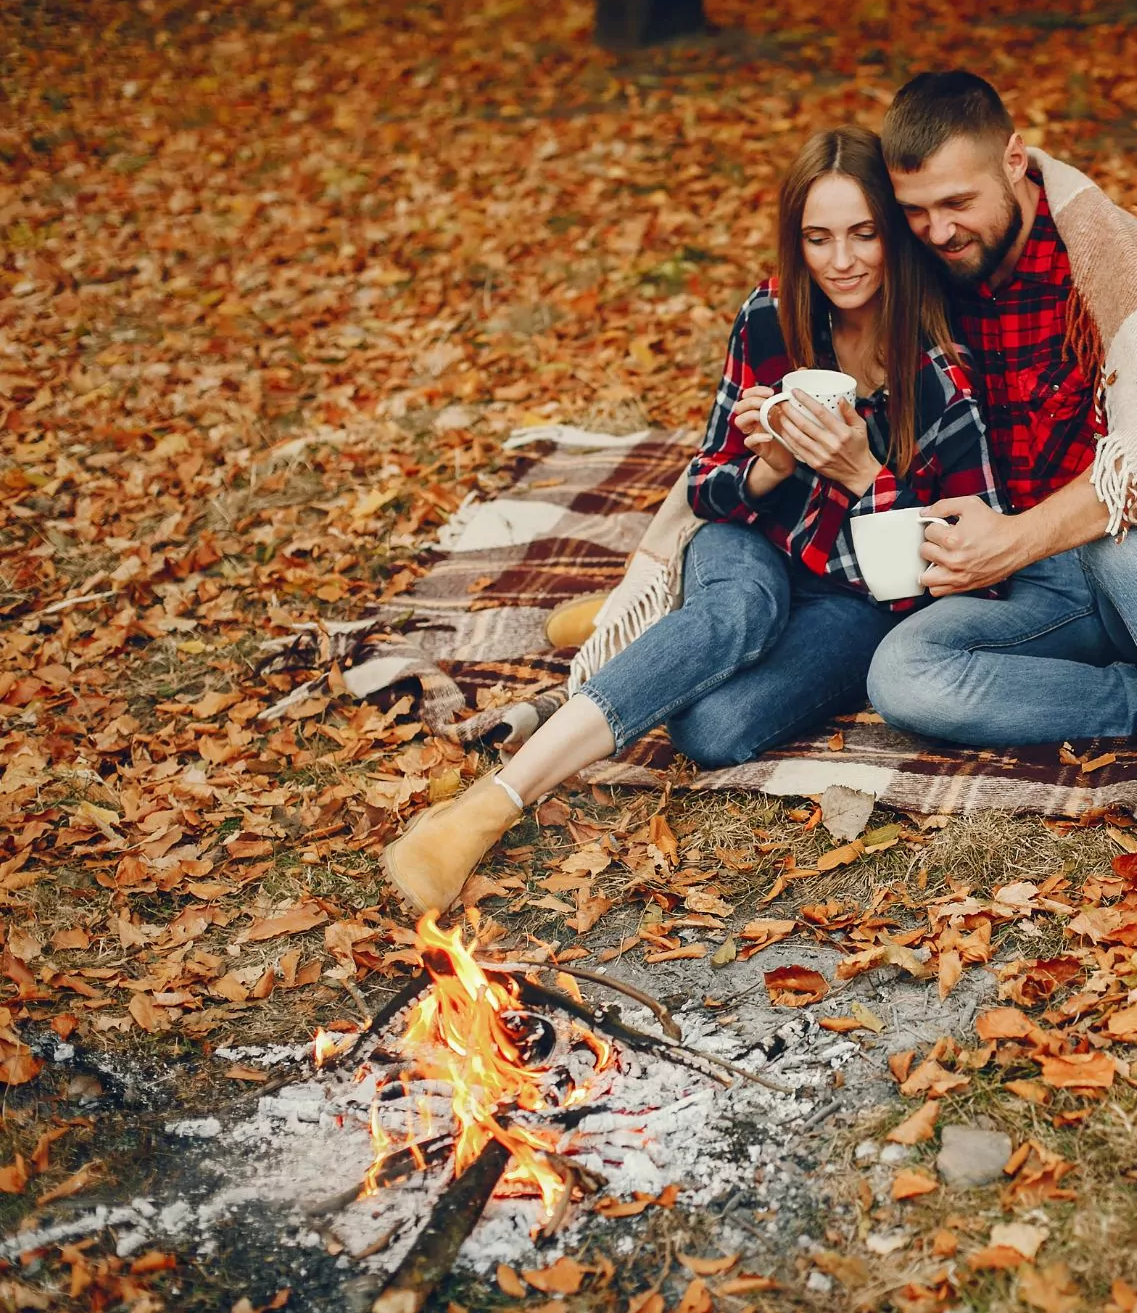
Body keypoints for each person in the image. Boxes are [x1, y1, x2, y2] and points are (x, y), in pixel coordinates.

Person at [383, 125, 1003, 916]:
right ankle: (491, 805)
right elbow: (708, 491)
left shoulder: (939, 368)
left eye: (863, 234)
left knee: (713, 731)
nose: (841, 261)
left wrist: (863, 476)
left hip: (854, 602)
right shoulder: (771, 318)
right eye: (818, 237)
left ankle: (652, 629)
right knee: (738, 610)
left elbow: (956, 570)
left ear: (896, 237)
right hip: (752, 546)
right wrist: (772, 464)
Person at [869, 72, 1137, 948]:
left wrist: (1019, 538)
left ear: (1016, 159)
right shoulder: (923, 271)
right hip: (1035, 590)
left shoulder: (1106, 259)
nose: (937, 229)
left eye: (956, 201)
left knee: (1125, 544)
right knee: (901, 676)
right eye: (916, 211)